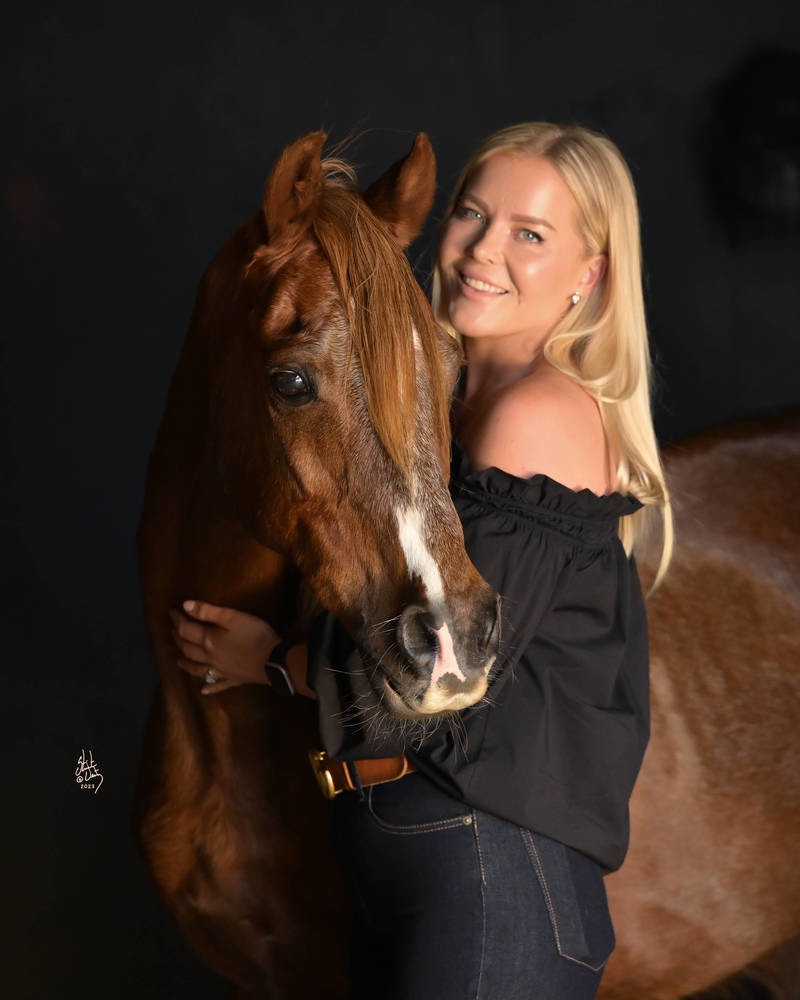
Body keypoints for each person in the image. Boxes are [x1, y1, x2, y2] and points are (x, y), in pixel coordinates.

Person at [170, 122, 672, 999]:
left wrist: (273, 662)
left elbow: (443, 672)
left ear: (587, 274)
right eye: (473, 214)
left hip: (490, 863)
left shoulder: (535, 416)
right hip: (425, 861)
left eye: (529, 233)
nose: (483, 250)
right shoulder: (444, 398)